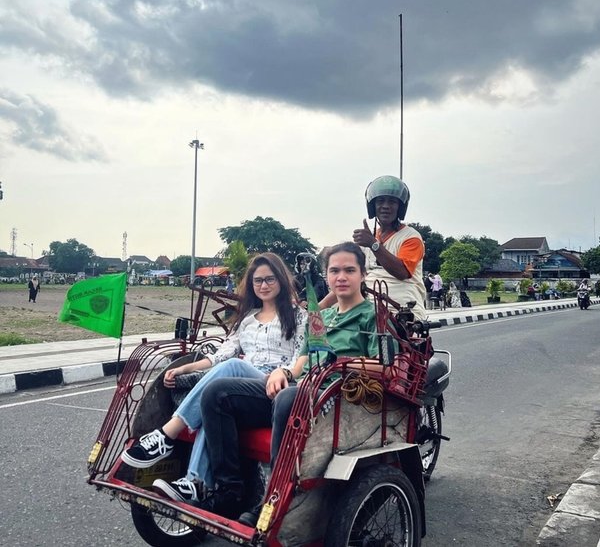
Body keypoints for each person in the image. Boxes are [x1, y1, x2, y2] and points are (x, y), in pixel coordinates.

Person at [186, 242, 380, 521]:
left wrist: (341, 364)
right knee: (217, 393)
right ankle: (229, 492)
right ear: (326, 276)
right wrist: (286, 373)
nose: (341, 277)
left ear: (362, 274)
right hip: (302, 390)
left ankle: (275, 499)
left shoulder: (372, 316)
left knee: (289, 397)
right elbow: (302, 360)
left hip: (339, 398)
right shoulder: (321, 317)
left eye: (349, 270)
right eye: (334, 270)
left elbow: (385, 366)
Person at [121, 253, 308, 504]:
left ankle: (167, 435)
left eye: (270, 279)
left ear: (281, 281)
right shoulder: (247, 319)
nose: (263, 285)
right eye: (257, 281)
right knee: (213, 400)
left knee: (234, 367)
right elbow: (220, 357)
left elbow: (302, 357)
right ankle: (194, 481)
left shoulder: (298, 315)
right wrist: (186, 368)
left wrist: (284, 373)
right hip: (242, 391)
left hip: (277, 386)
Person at [349, 175, 426, 315]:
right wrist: (319, 307)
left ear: (400, 207)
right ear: (372, 207)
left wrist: (373, 244)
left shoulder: (411, 237)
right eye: (380, 201)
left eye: (392, 202)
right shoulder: (366, 241)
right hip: (367, 309)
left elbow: (402, 272)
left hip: (402, 312)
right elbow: (350, 280)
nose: (385, 206)